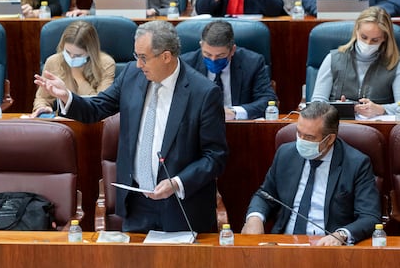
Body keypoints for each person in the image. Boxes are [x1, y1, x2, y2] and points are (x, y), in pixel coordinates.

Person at [34, 20, 229, 234]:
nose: (138, 64)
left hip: (181, 206)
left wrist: (176, 183)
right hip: (136, 202)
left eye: (143, 58)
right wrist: (66, 96)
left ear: (166, 56)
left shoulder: (204, 92)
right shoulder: (131, 75)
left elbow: (215, 156)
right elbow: (97, 108)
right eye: (136, 56)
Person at [241, 102, 381, 245]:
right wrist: (255, 217)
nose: (301, 141)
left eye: (309, 137)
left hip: (328, 248)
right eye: (298, 133)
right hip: (284, 244)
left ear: (330, 139)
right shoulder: (286, 154)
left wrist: (341, 235)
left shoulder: (356, 163)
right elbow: (265, 195)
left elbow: (369, 216)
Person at [311, 6, 400, 118]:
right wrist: (336, 107)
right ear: (356, 31)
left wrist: (381, 109)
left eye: (375, 40)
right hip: (339, 125)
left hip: (378, 127)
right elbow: (316, 104)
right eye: (364, 37)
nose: (368, 43)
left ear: (385, 38)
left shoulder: (395, 63)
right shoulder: (333, 58)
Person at [181, 20, 277, 120]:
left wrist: (235, 112)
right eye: (208, 54)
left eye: (220, 55)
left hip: (239, 127)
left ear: (232, 50)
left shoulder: (252, 63)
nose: (213, 59)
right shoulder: (186, 64)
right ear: (201, 45)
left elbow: (268, 100)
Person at [31, 20, 115, 118]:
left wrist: (78, 77)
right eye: (67, 52)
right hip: (62, 122)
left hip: (93, 121)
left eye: (78, 55)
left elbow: (100, 104)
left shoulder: (106, 64)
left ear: (90, 52)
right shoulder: (53, 61)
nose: (71, 58)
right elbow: (42, 97)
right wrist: (42, 108)